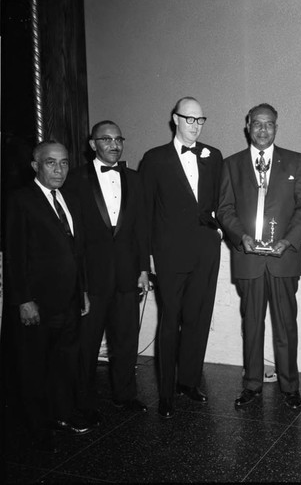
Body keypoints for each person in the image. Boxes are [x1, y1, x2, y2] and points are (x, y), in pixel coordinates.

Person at [217, 103, 301, 410]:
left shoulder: (295, 162)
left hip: (283, 259)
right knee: (252, 326)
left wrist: (289, 240)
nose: (262, 129)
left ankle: (290, 386)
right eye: (257, 124)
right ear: (248, 126)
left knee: (286, 326)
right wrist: (239, 237)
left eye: (269, 124)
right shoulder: (232, 164)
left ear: (276, 128)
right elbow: (226, 209)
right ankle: (252, 384)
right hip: (249, 259)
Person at [5, 141, 91, 453]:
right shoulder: (21, 200)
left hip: (68, 301)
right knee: (33, 368)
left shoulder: (68, 198)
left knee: (63, 364)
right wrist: (23, 300)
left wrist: (82, 291)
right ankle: (38, 431)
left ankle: (61, 416)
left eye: (64, 163)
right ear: (36, 166)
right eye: (51, 163)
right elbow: (15, 255)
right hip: (37, 304)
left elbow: (75, 251)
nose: (59, 170)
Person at [140, 97, 223, 419]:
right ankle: (165, 393)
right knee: (169, 320)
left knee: (197, 318)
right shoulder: (155, 159)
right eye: (190, 119)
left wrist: (216, 231)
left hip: (205, 250)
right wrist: (145, 258)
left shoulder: (213, 156)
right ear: (175, 119)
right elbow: (145, 212)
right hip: (169, 254)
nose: (196, 126)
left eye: (201, 120)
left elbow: (220, 201)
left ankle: (189, 381)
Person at [65, 121, 150, 422]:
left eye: (118, 139)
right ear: (92, 144)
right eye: (106, 139)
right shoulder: (74, 180)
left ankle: (125, 395)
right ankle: (83, 402)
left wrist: (143, 269)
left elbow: (141, 228)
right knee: (86, 344)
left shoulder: (135, 179)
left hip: (127, 274)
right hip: (92, 278)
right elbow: (71, 236)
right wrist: (79, 283)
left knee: (126, 340)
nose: (114, 145)